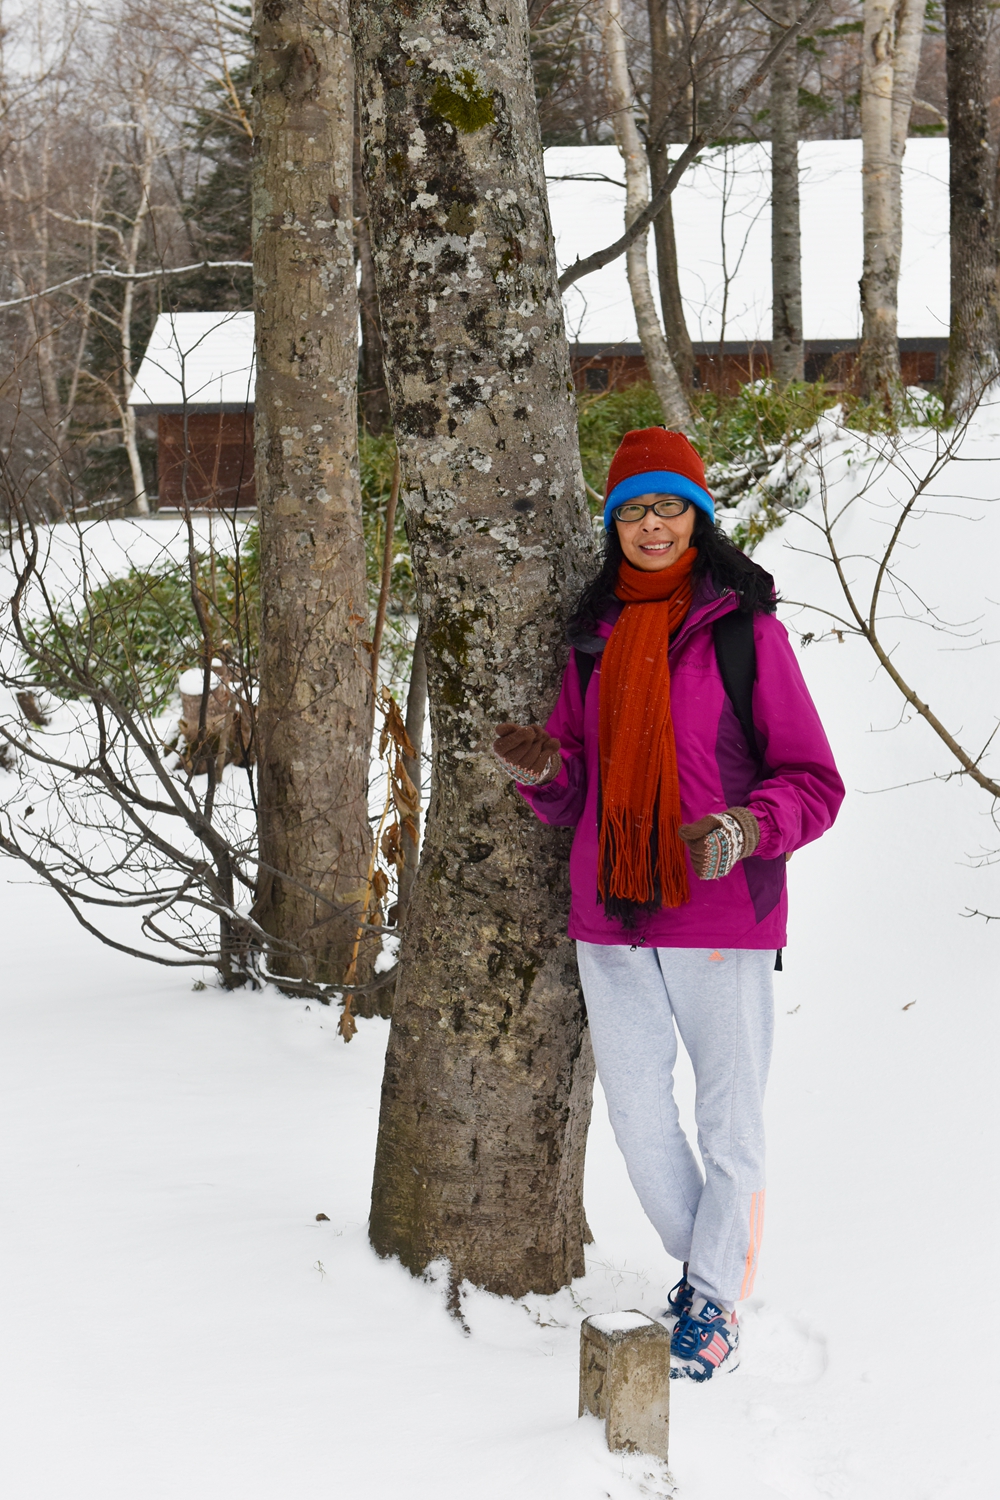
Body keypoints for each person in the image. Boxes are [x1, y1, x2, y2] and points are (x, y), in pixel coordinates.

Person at [492, 427, 844, 1382]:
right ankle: (709, 1273)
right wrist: (541, 770)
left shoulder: (744, 632)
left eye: (669, 507)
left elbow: (813, 779)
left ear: (699, 516)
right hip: (610, 913)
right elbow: (575, 792)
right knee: (640, 1110)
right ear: (614, 525)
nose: (652, 526)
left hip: (720, 912)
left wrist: (745, 828)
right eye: (634, 511)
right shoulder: (593, 636)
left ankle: (713, 1303)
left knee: (731, 1119)